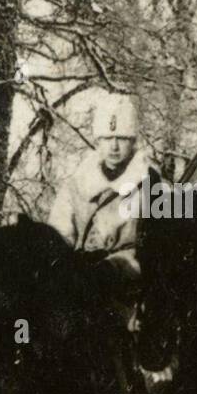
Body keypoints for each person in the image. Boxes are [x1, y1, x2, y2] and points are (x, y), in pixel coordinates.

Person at [48, 92, 162, 316]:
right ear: (98, 140)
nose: (114, 147)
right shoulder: (78, 183)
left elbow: (154, 251)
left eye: (122, 138)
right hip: (78, 286)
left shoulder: (150, 185)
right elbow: (59, 235)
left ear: (133, 141)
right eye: (107, 138)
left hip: (126, 293)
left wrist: (116, 266)